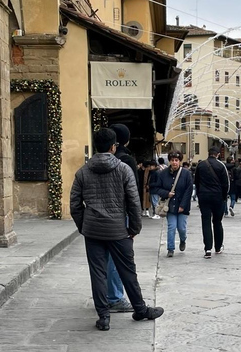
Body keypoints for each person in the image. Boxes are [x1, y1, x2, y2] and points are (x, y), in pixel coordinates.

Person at [70, 128, 163, 331]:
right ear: (113, 147)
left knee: (98, 273)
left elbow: (75, 204)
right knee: (128, 271)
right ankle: (140, 309)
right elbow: (133, 201)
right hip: (118, 229)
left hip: (93, 230)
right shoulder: (123, 169)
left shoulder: (83, 172)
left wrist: (83, 226)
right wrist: (134, 228)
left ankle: (104, 317)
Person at [106, 124, 139, 313]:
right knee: (118, 259)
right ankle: (115, 297)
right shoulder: (126, 161)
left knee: (103, 258)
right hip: (120, 215)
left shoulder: (96, 161)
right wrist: (134, 225)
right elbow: (132, 195)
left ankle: (105, 295)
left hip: (98, 218)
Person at [153, 151, 193, 257]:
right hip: (169, 206)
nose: (174, 162)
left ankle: (183, 240)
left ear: (180, 161)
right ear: (169, 161)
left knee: (181, 228)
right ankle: (170, 248)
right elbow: (156, 188)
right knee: (171, 226)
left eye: (176, 160)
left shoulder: (186, 174)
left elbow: (188, 191)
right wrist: (167, 193)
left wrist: (183, 205)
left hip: (182, 206)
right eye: (172, 160)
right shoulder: (163, 174)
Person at [194, 147, 229, 258]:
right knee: (217, 222)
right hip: (218, 196)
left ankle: (207, 249)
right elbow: (226, 184)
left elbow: (196, 182)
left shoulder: (201, 165)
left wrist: (199, 195)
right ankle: (218, 247)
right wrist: (224, 197)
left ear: (209, 153)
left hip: (204, 196)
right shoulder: (221, 165)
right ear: (218, 154)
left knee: (206, 222)